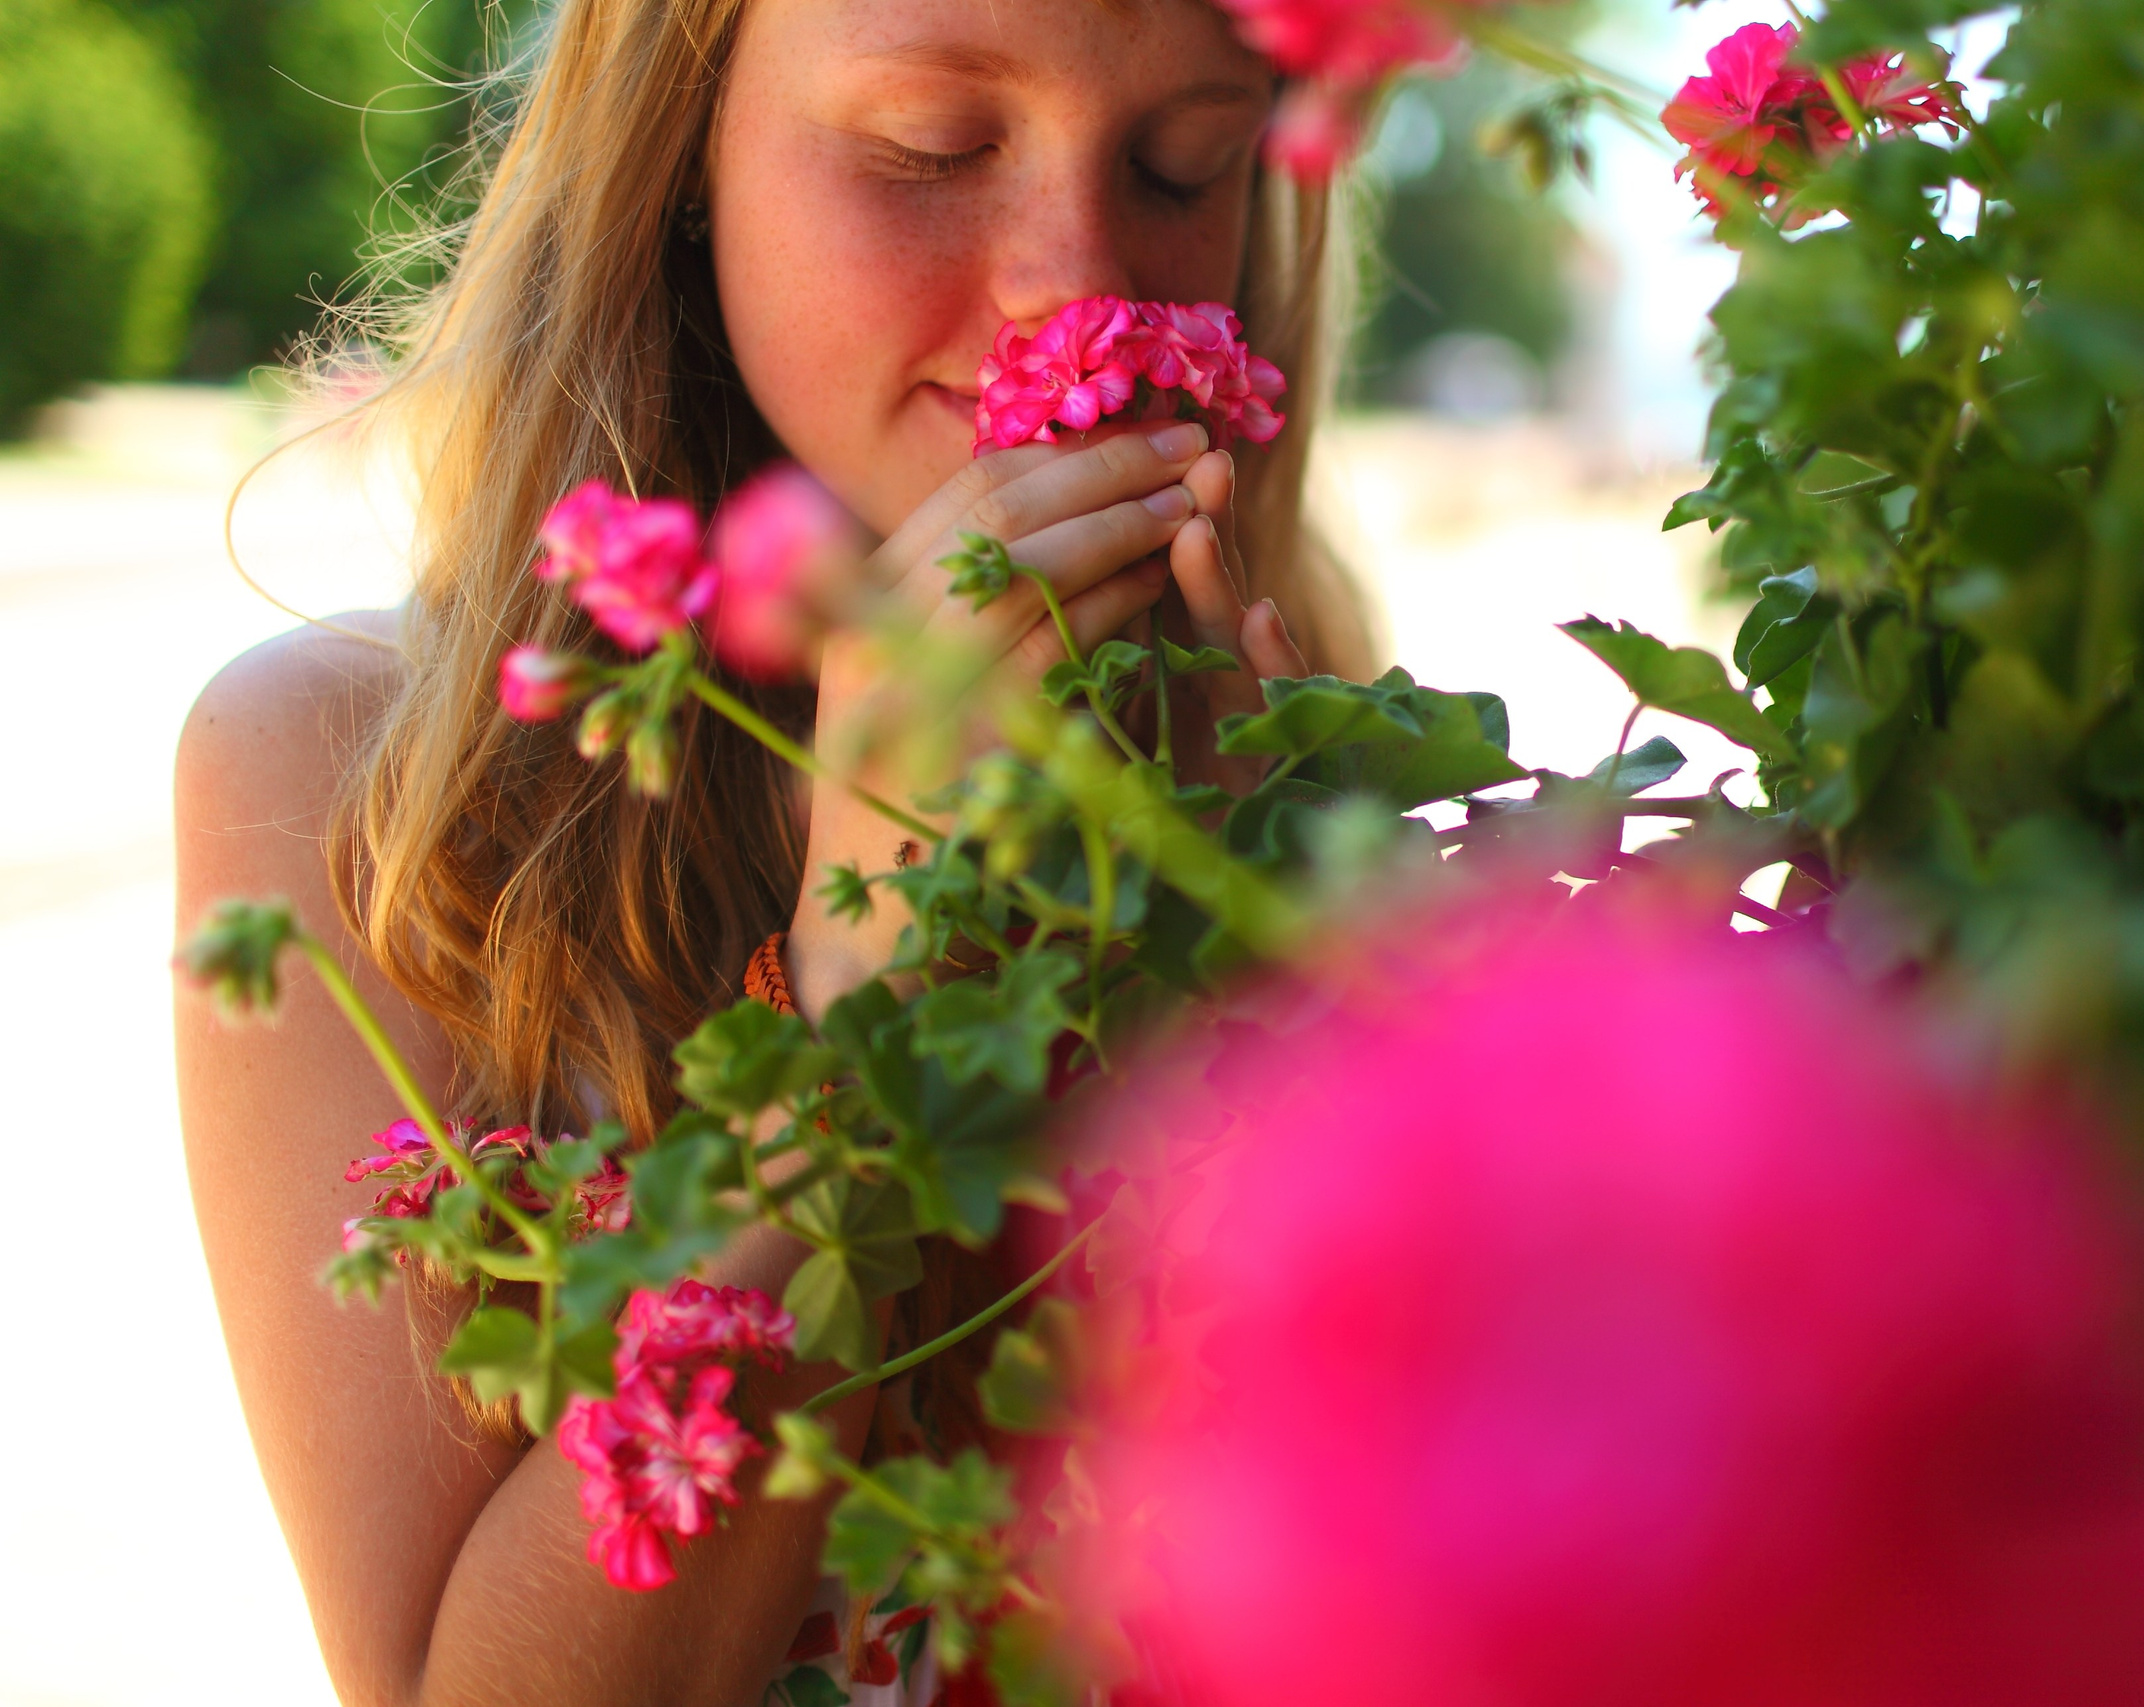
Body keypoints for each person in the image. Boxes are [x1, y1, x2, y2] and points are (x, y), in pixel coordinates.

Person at [171, 0, 1371, 1701]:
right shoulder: (351, 788)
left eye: (1186, 166)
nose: (1075, 283)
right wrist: (857, 993)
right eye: (930, 148)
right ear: (676, 158)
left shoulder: (1305, 726)